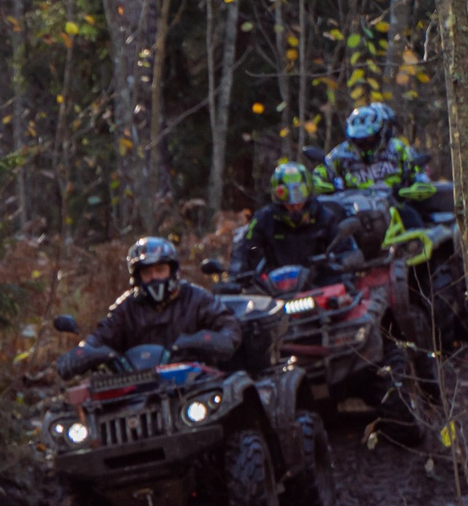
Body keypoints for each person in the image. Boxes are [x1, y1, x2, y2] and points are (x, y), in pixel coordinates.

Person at [59, 237, 239, 376]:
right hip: (137, 386)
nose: (154, 278)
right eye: (147, 272)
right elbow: (101, 337)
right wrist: (79, 355)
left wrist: (204, 340)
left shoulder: (196, 298)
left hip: (192, 382)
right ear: (138, 277)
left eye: (160, 270)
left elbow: (229, 327)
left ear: (172, 271)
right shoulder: (126, 307)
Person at [232, 160, 364, 280]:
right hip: (274, 290)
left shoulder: (325, 217)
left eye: (300, 192)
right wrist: (237, 271)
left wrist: (346, 260)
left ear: (308, 191)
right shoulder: (263, 219)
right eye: (283, 194)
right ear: (275, 195)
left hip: (320, 286)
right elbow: (246, 249)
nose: (294, 203)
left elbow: (345, 249)